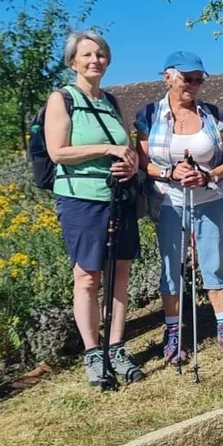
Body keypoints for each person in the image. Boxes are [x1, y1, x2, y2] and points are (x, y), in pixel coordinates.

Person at [136, 51, 223, 367]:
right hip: (169, 201)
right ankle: (173, 334)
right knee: (172, 269)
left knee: (213, 265)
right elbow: (144, 163)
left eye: (199, 79)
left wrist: (208, 174)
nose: (194, 85)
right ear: (168, 77)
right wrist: (172, 173)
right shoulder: (149, 115)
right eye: (188, 78)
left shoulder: (211, 114)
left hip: (208, 198)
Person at [44, 31, 143, 386]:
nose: (95, 60)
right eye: (86, 55)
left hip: (118, 198)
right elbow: (58, 152)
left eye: (100, 54)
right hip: (80, 200)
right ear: (73, 61)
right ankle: (92, 353)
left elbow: (126, 149)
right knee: (87, 277)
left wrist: (130, 165)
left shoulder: (112, 102)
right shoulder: (62, 99)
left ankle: (116, 347)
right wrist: (106, 150)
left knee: (119, 273)